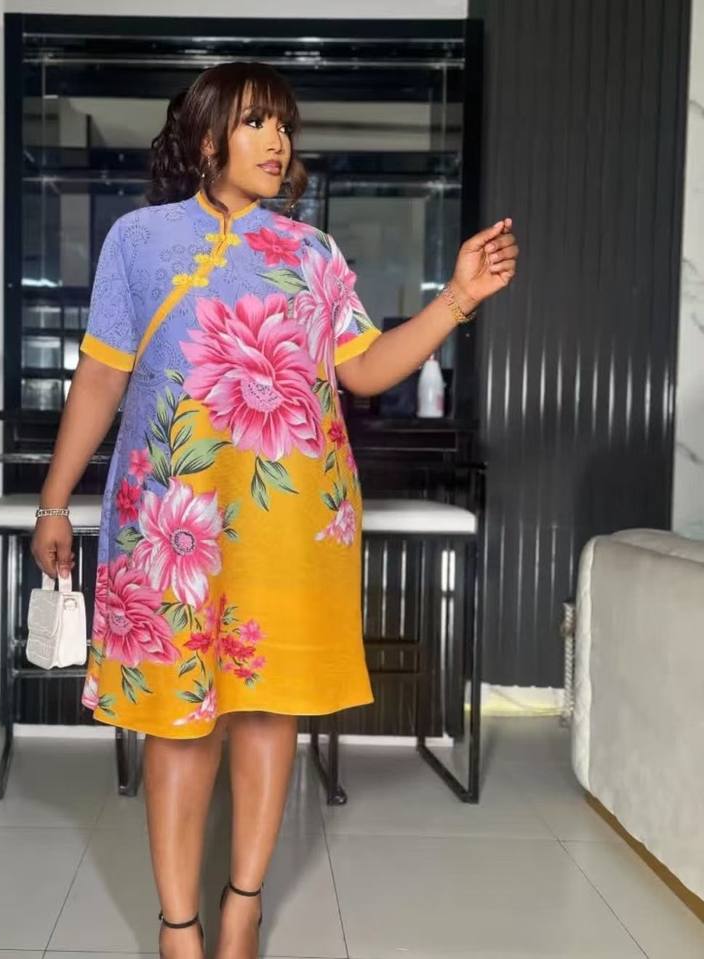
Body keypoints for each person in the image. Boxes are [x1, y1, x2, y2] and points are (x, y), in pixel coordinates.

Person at [31, 61, 518, 959]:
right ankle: (178, 927)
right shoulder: (138, 240)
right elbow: (100, 376)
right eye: (256, 121)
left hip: (292, 522)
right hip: (171, 522)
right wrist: (54, 501)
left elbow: (363, 369)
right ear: (207, 136)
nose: (278, 140)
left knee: (268, 709)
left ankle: (242, 909)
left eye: (285, 125)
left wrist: (457, 300)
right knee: (180, 722)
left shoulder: (312, 252)